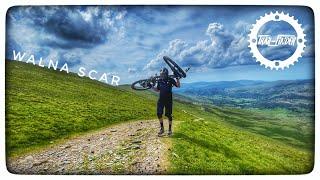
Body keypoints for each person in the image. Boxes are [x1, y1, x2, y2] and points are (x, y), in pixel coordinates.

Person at [153, 67, 180, 136]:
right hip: (161, 99)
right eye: (161, 74)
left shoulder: (171, 79)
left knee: (168, 115)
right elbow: (157, 90)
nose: (161, 75)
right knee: (159, 114)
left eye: (163, 74)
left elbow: (178, 86)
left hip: (168, 100)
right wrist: (151, 86)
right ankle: (162, 129)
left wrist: (177, 78)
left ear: (166, 74)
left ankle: (170, 130)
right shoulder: (159, 80)